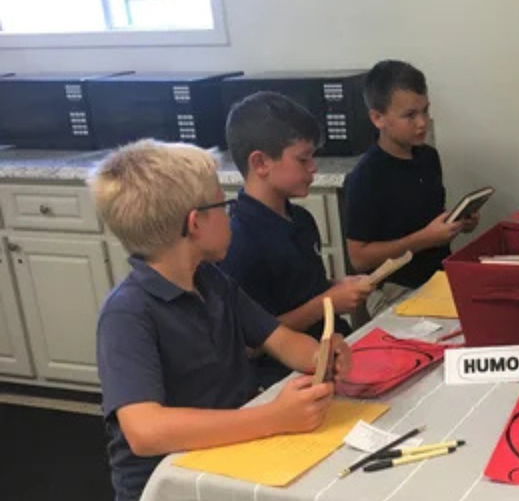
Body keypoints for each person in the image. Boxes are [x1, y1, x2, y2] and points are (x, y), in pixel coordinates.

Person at [90, 140, 352, 501]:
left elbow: (280, 340)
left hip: (229, 456)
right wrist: (273, 418)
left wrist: (322, 355)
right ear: (195, 223)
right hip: (170, 484)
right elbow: (145, 431)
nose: (231, 216)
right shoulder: (128, 313)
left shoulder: (212, 280)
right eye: (223, 205)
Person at [221, 91, 371, 388]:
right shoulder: (238, 241)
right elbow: (249, 343)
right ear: (261, 163)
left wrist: (338, 289)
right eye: (303, 158)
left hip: (331, 356)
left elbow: (305, 290)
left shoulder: (301, 219)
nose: (313, 167)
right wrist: (325, 303)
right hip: (284, 381)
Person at [344, 60, 479, 314]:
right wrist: (425, 239)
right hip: (394, 287)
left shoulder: (428, 157)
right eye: (410, 115)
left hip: (438, 277)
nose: (422, 123)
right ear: (377, 118)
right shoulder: (367, 176)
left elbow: (424, 219)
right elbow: (359, 258)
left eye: (425, 111)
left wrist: (457, 222)